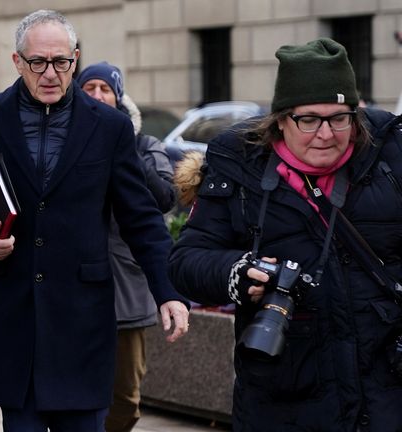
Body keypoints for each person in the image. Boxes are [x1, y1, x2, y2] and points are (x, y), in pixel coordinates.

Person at [0, 10, 189, 432]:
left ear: (75, 59)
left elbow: (141, 217)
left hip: (82, 321)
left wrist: (168, 291)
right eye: (38, 63)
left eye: (61, 62)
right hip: (12, 321)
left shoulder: (109, 126)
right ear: (17, 62)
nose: (50, 73)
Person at [169, 38, 402, 431]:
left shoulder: (390, 159)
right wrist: (238, 271)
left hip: (385, 396)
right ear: (280, 118)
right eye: (308, 119)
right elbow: (186, 261)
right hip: (284, 399)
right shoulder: (239, 168)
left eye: (339, 118)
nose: (326, 134)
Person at [77, 62, 176, 432]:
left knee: (125, 399)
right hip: (74, 288)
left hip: (126, 291)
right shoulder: (68, 142)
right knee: (75, 394)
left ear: (118, 97)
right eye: (90, 88)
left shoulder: (145, 144)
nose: (98, 95)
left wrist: (123, 141)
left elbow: (165, 198)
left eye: (106, 89)